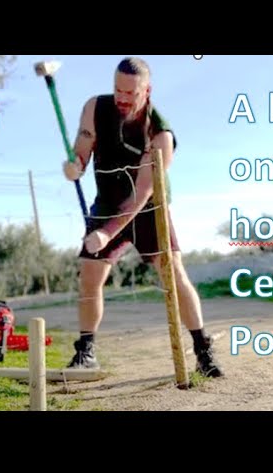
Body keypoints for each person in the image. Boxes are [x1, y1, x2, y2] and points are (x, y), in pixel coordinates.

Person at [62, 57, 224, 379]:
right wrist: (75, 165)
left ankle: (203, 351)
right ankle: (86, 351)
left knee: (173, 276)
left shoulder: (159, 132)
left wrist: (107, 233)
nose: (122, 98)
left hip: (148, 208)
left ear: (147, 90)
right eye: (117, 89)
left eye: (130, 93)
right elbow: (82, 148)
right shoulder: (94, 108)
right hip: (107, 202)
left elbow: (140, 194)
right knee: (90, 276)